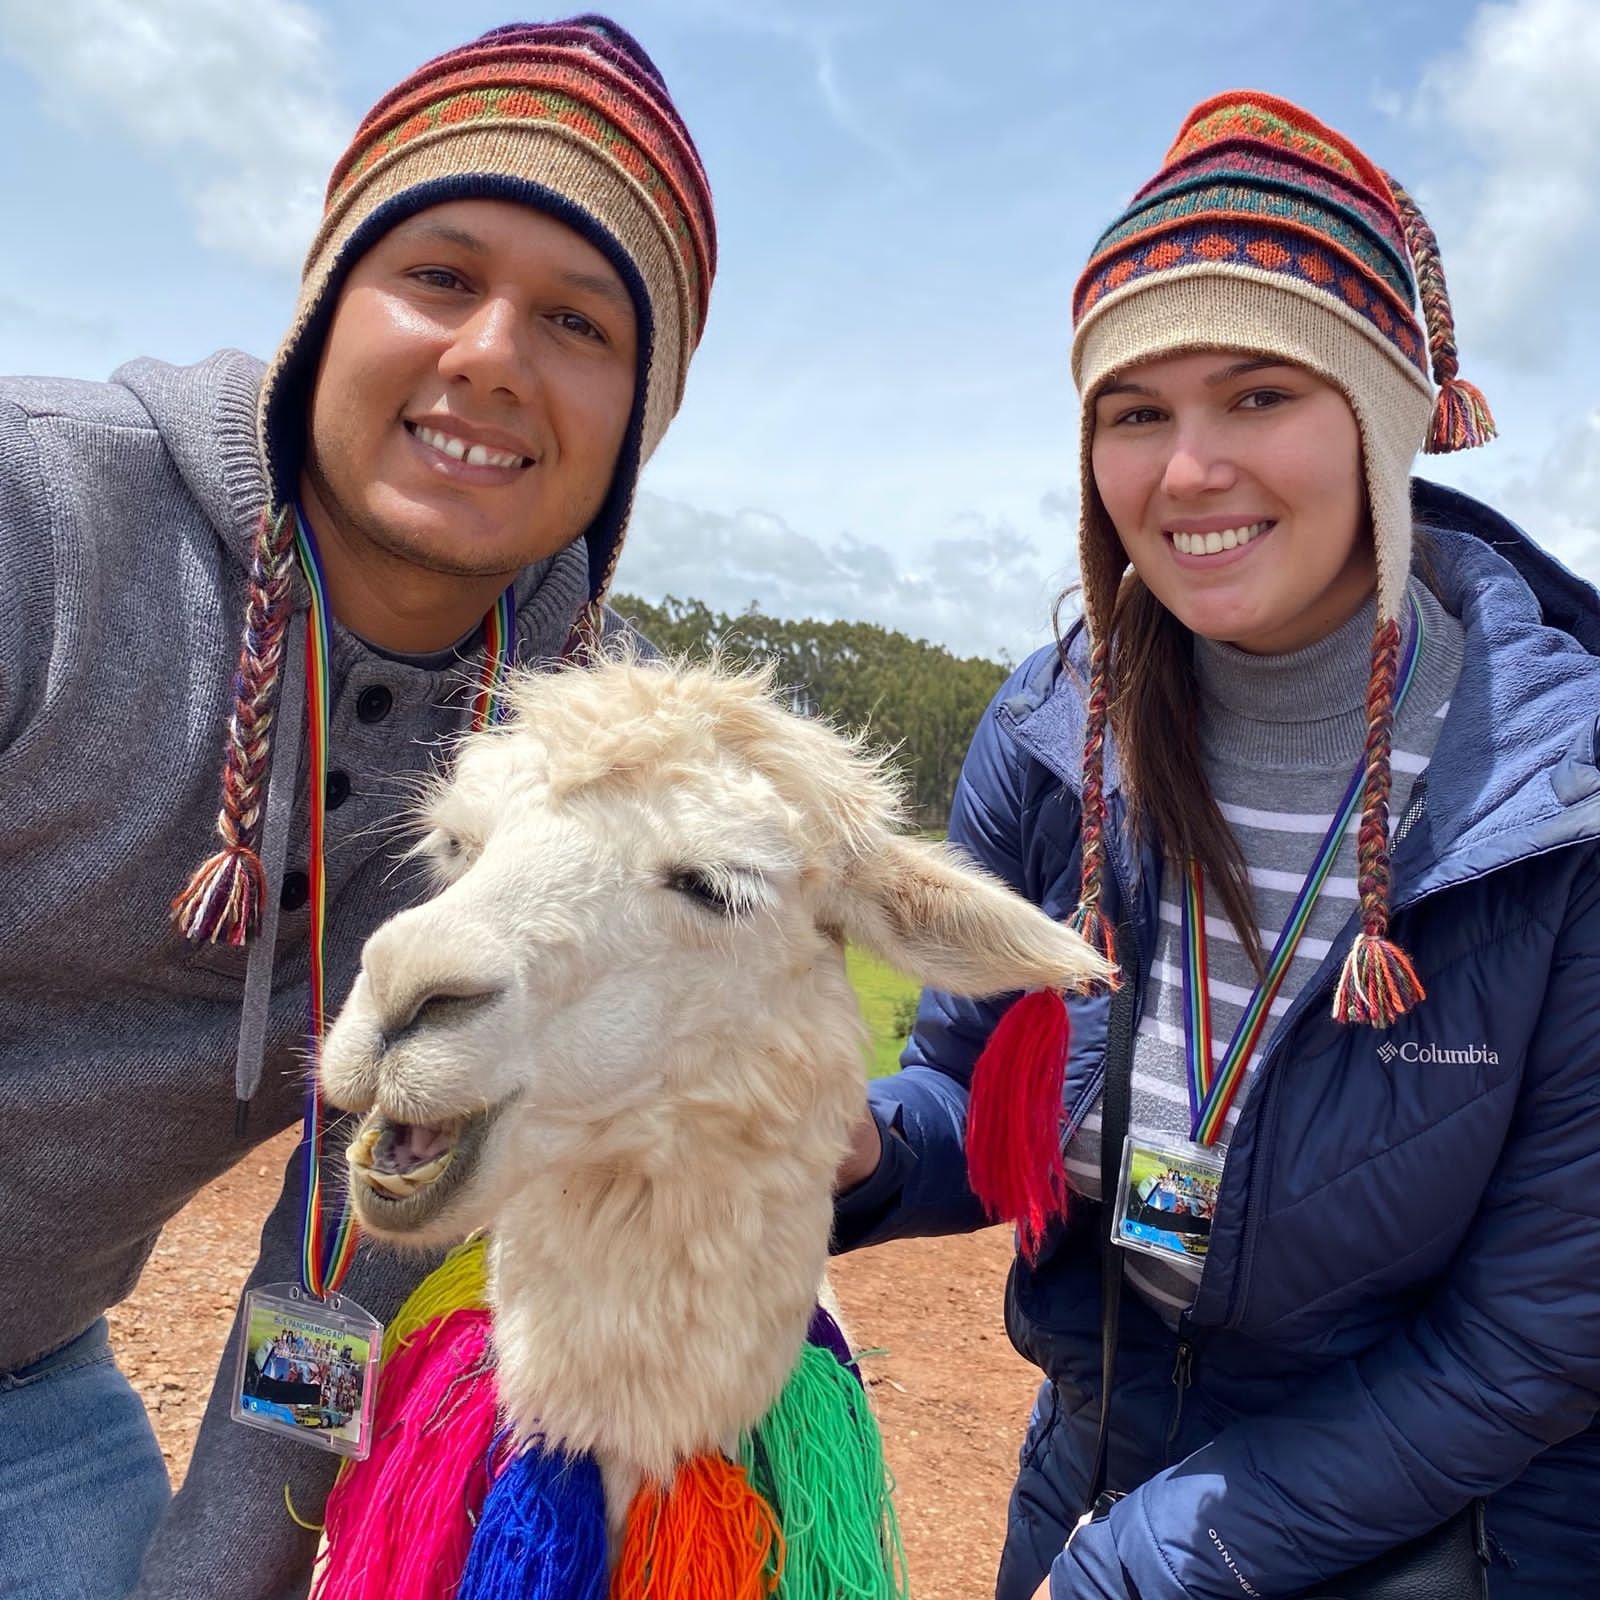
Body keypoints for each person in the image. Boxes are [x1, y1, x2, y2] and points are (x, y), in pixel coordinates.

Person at [833, 91, 1600, 1599]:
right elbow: (968, 1092)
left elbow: (1541, 1334)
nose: (1188, 472)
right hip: (1089, 1482)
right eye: (1136, 412)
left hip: (1452, 1539)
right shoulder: (1057, 739)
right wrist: (850, 1147)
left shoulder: (1560, 801)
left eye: (1259, 395)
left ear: (1385, 424)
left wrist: (1149, 1566)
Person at [0, 17, 715, 1598]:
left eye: (583, 323)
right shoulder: (36, 523)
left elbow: (352, 1226)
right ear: (329, 305)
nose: (491, 357)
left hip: (25, 1379)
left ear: (637, 428)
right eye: (442, 277)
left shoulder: (572, 750)